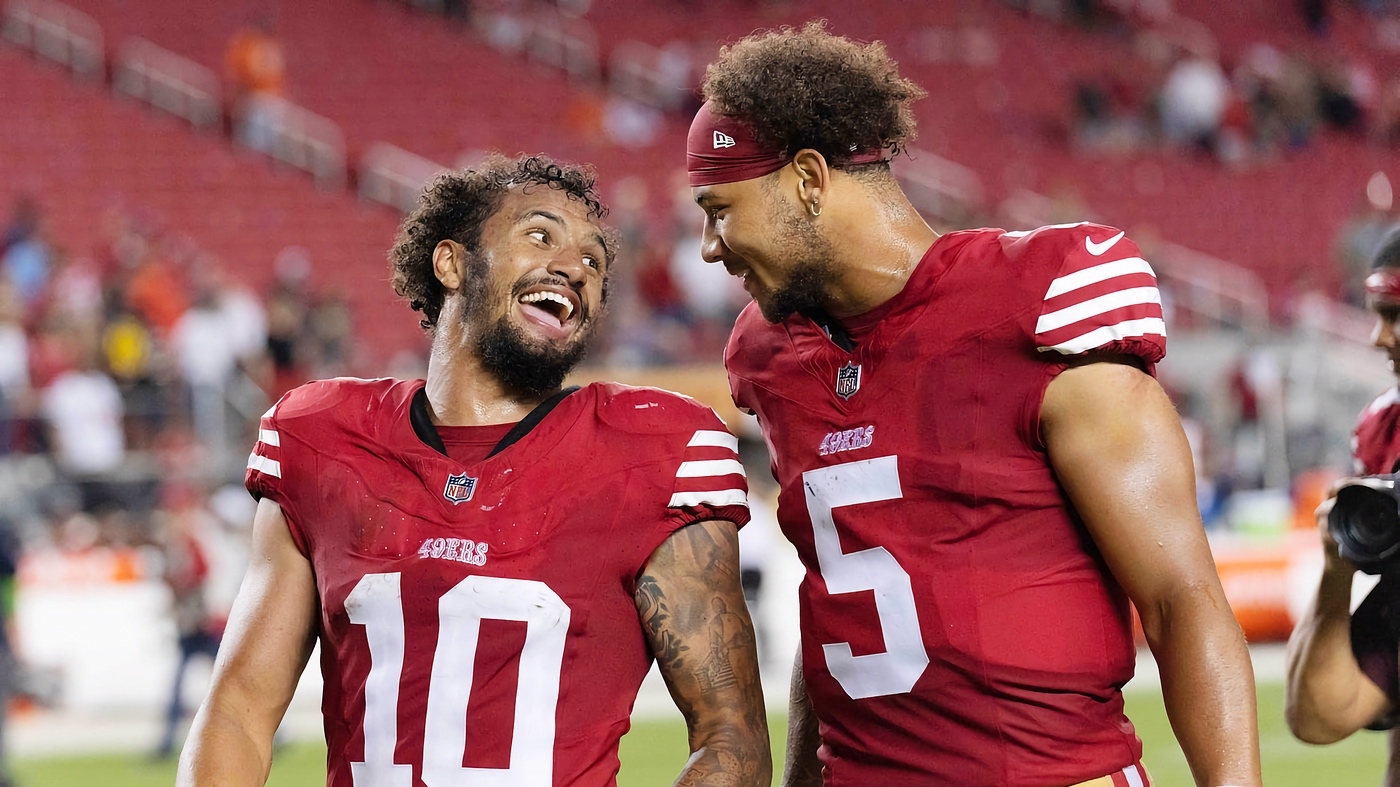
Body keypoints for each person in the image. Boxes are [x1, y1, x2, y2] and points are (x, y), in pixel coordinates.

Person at [686, 22, 1261, 787]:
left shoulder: (1036, 301)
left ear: (808, 180)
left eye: (720, 208)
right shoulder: (768, 354)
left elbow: (1180, 600)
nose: (708, 246)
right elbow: (841, 607)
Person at [177, 154, 771, 786]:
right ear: (452, 262)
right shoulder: (322, 439)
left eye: (594, 261)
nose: (574, 267)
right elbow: (237, 712)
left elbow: (729, 738)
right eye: (540, 236)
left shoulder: (655, 448)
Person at [1286, 226, 1400, 786]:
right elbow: (1316, 715)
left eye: (1396, 314)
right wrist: (1336, 571)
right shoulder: (1384, 432)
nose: (1379, 337)